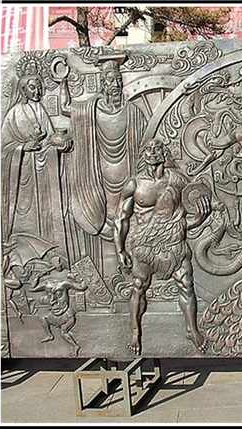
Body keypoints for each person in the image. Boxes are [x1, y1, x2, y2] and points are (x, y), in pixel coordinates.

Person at [114, 138, 212, 355]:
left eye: (156, 148)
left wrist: (199, 215)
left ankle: (192, 329)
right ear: (143, 155)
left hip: (173, 241)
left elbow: (192, 201)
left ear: (164, 153)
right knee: (139, 285)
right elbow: (121, 218)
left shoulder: (177, 180)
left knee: (186, 283)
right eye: (148, 149)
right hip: (144, 243)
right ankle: (135, 332)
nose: (152, 152)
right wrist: (120, 250)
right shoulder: (134, 184)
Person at [59, 54, 147, 276]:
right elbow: (66, 107)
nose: (115, 85)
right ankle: (110, 272)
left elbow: (146, 147)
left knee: (127, 222)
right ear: (102, 83)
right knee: (106, 222)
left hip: (128, 179)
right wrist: (61, 81)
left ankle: (134, 268)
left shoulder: (133, 112)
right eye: (110, 80)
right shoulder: (91, 109)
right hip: (98, 182)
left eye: (118, 80)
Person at [1, 67, 73, 260]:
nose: (37, 91)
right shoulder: (15, 113)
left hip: (42, 172)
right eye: (32, 87)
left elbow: (48, 136)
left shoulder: (40, 109)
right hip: (23, 174)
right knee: (27, 217)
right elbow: (4, 147)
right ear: (23, 90)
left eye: (39, 87)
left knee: (46, 213)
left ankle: (51, 251)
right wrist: (23, 147)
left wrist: (57, 142)